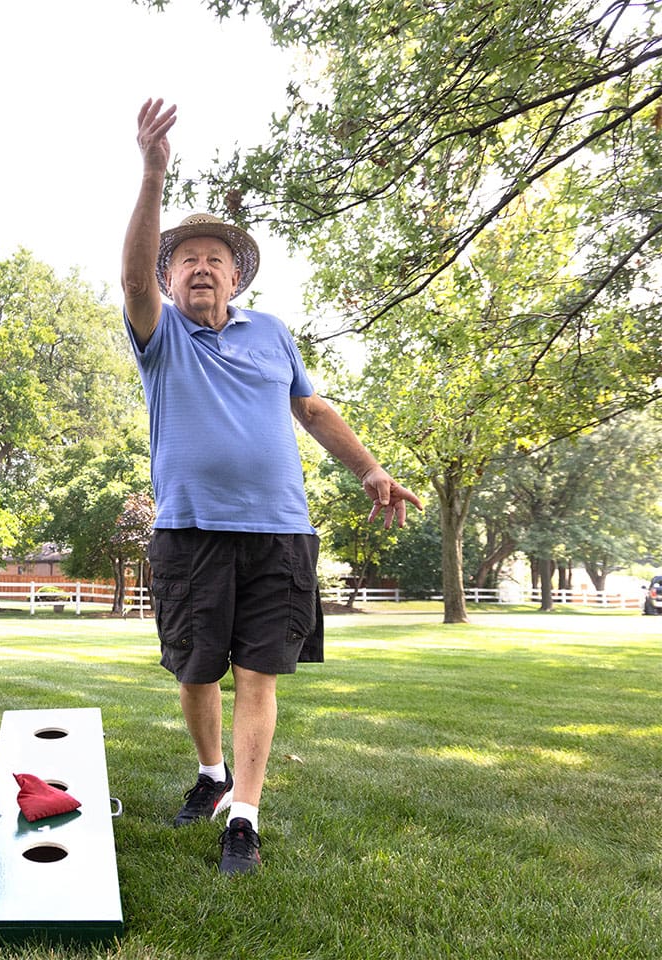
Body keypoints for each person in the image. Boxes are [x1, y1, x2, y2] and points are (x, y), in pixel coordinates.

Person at [122, 99, 422, 874]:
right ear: (168, 275)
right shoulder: (161, 338)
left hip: (281, 531)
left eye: (213, 257)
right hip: (190, 530)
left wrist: (371, 469)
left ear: (235, 273)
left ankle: (243, 820)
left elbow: (312, 408)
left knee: (258, 673)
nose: (200, 267)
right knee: (196, 670)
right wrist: (153, 174)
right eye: (184, 258)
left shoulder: (273, 332)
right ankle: (210, 774)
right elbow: (129, 278)